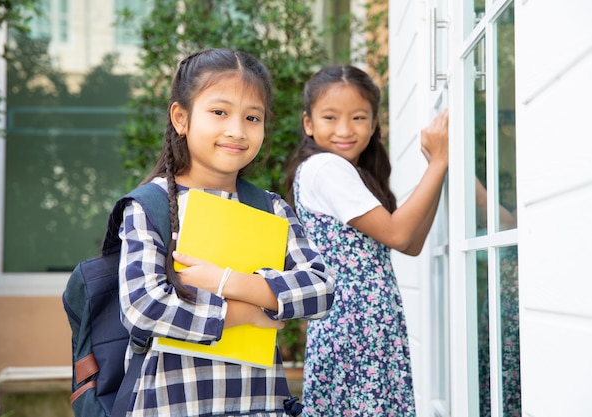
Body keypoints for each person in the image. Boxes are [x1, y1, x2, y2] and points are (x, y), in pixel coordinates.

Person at [117, 49, 335, 416]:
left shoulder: (269, 208)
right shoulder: (149, 205)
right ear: (181, 118)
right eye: (219, 112)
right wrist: (245, 313)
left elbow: (321, 289)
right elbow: (143, 308)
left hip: (259, 404)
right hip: (171, 405)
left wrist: (227, 281)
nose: (237, 130)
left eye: (253, 117)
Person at [285, 65, 449, 416]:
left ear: (374, 124)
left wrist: (438, 167)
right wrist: (438, 163)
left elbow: (410, 243)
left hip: (366, 326)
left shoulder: (346, 171)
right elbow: (398, 232)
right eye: (330, 117)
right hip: (354, 328)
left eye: (358, 117)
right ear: (308, 123)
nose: (345, 129)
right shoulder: (325, 168)